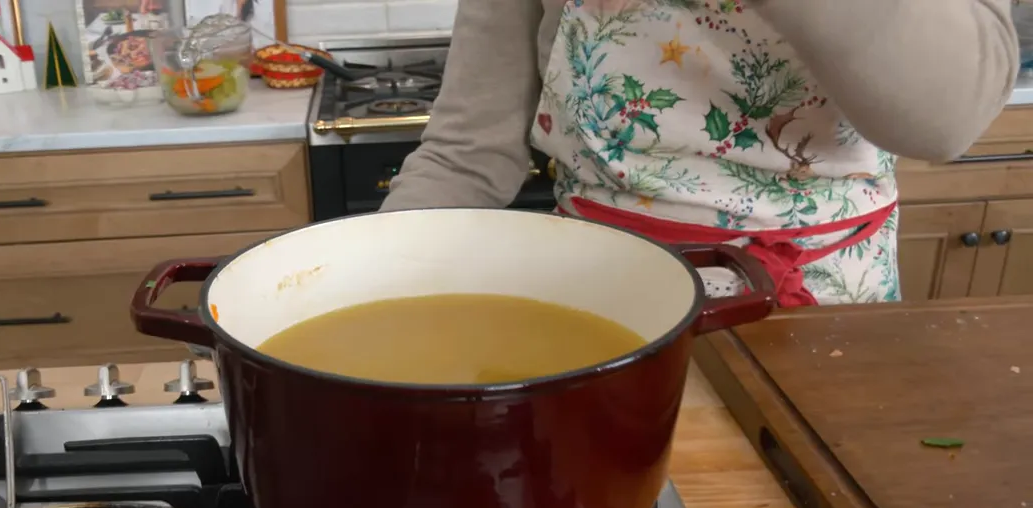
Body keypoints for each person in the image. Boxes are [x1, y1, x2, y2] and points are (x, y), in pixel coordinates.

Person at [380, 0, 1019, 305]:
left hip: (827, 314)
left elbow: (945, 120)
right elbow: (465, 153)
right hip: (596, 301)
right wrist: (372, 287)